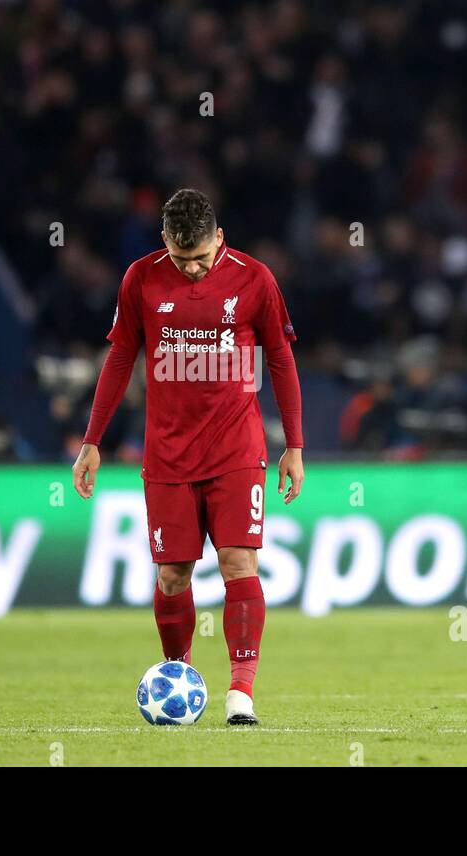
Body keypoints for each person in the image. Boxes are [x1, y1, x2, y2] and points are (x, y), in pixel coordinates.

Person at [72, 189, 305, 725]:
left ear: (219, 238)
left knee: (237, 562)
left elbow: (282, 359)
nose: (194, 269)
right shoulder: (141, 278)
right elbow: (120, 356)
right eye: (182, 260)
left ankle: (241, 693)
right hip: (168, 454)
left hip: (236, 448)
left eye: (201, 257)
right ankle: (179, 674)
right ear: (165, 245)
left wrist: (295, 445)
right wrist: (92, 440)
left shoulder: (254, 279)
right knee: (173, 575)